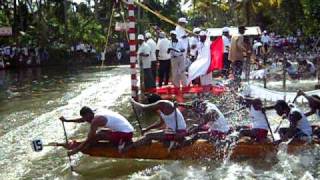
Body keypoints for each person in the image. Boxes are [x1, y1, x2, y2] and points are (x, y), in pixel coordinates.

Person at [59, 106, 134, 155]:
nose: (86, 121)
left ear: (89, 114)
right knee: (101, 132)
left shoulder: (96, 120)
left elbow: (89, 137)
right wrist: (67, 120)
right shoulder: (96, 111)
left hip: (127, 134)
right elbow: (82, 119)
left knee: (97, 136)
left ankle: (122, 141)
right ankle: (88, 145)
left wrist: (76, 150)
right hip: (127, 130)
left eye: (86, 118)